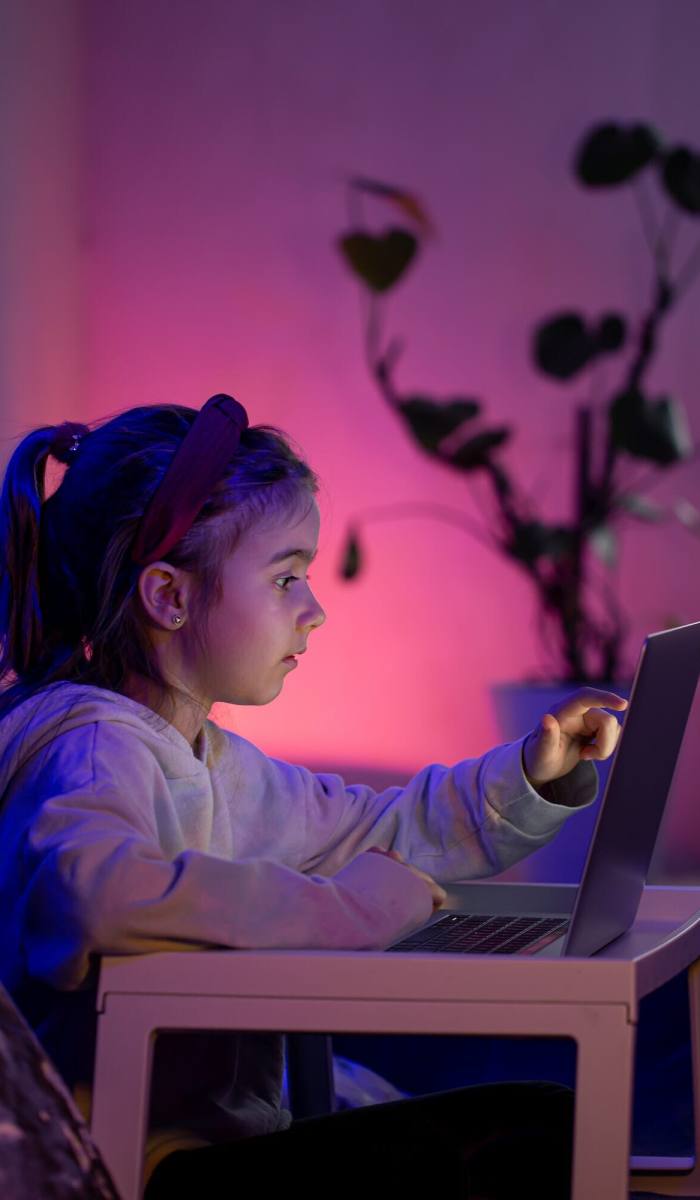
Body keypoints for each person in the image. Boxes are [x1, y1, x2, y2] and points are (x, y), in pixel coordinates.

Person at [0, 394, 626, 1198]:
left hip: (224, 1140)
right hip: (148, 1166)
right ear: (169, 597)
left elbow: (384, 829)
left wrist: (534, 773)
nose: (315, 609)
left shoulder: (215, 759)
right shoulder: (91, 747)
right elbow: (93, 894)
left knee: (541, 1123)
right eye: (287, 576)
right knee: (533, 1132)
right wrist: (351, 911)